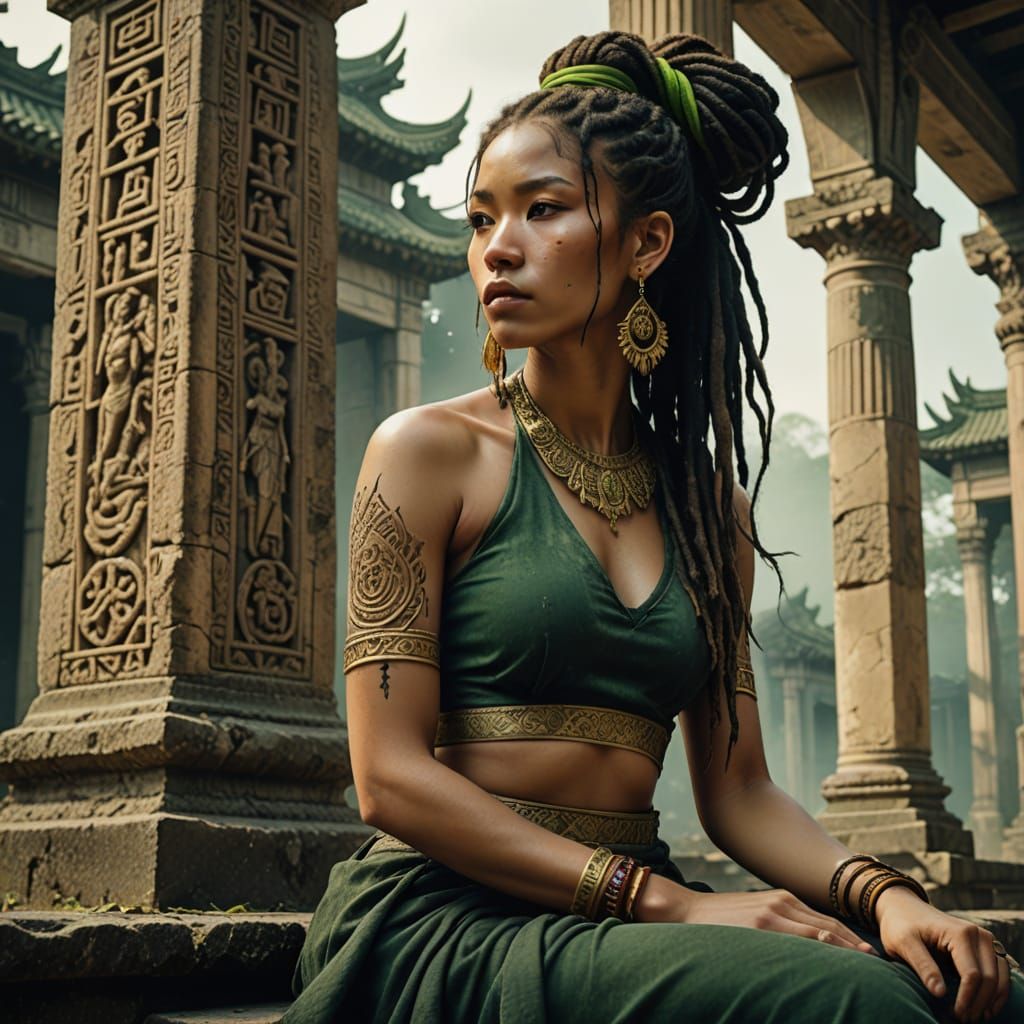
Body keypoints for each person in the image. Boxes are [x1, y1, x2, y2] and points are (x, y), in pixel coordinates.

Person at [284, 30, 1024, 1024]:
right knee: (866, 1011)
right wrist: (672, 903)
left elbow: (740, 790)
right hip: (444, 922)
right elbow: (388, 778)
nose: (495, 246)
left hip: (630, 913)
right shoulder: (427, 452)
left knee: (988, 994)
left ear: (646, 243)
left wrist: (886, 896)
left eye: (541, 209)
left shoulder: (706, 511)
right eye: (480, 217)